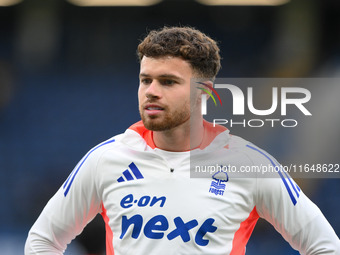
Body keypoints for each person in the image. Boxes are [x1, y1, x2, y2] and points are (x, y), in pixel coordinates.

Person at [25, 26, 340, 255]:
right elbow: (42, 241)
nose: (151, 91)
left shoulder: (250, 164)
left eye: (168, 81)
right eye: (145, 80)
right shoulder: (106, 159)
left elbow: (325, 246)